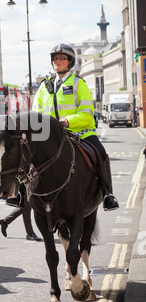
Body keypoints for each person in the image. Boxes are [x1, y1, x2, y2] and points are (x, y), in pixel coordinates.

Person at [32, 43, 119, 211]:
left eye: (62, 58)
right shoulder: (44, 86)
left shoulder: (79, 84)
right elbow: (37, 112)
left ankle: (108, 194)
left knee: (101, 153)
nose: (57, 61)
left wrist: (67, 121)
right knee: (26, 155)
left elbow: (87, 113)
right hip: (50, 136)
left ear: (69, 62)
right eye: (55, 58)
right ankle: (21, 195)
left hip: (80, 132)